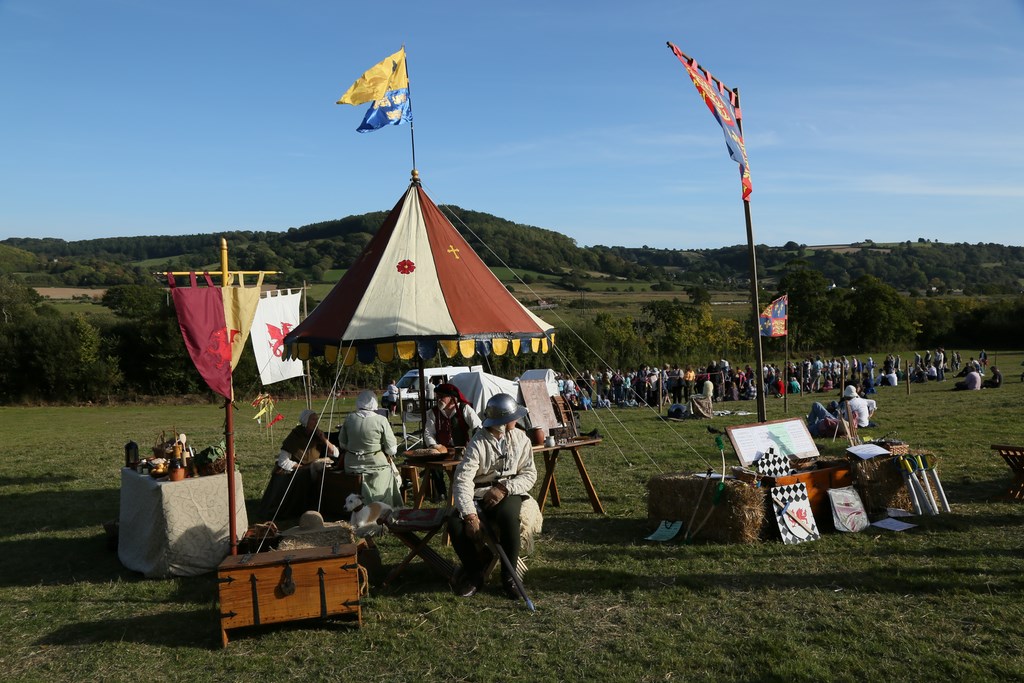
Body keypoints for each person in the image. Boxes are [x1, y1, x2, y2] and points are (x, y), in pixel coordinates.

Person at [449, 393, 537, 599]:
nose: (517, 419)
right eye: (513, 417)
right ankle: (475, 574)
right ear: (502, 421)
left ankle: (509, 577)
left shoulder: (521, 438)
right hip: (478, 495)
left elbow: (529, 473)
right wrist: (470, 515)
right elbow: (462, 481)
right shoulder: (477, 443)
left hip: (510, 492)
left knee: (508, 516)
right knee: (454, 524)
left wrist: (504, 488)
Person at [259, 409, 339, 520]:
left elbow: (335, 454)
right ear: (306, 421)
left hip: (313, 468)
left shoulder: (317, 435)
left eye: (317, 419)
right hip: (294, 470)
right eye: (313, 419)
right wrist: (305, 467)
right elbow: (283, 462)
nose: (316, 422)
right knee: (302, 476)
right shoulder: (295, 436)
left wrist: (323, 438)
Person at [338, 390, 402, 507]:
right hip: (375, 465)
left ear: (358, 402)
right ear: (375, 403)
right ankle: (383, 506)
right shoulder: (381, 420)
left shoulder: (349, 418)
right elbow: (392, 449)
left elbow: (343, 444)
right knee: (389, 472)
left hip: (351, 465)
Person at [424, 383, 482, 453]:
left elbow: (478, 427)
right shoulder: (433, 412)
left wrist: (473, 446)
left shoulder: (464, 409)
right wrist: (433, 446)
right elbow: (429, 432)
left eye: (442, 396)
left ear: (451, 397)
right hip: (442, 453)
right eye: (437, 396)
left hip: (463, 452)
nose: (439, 399)